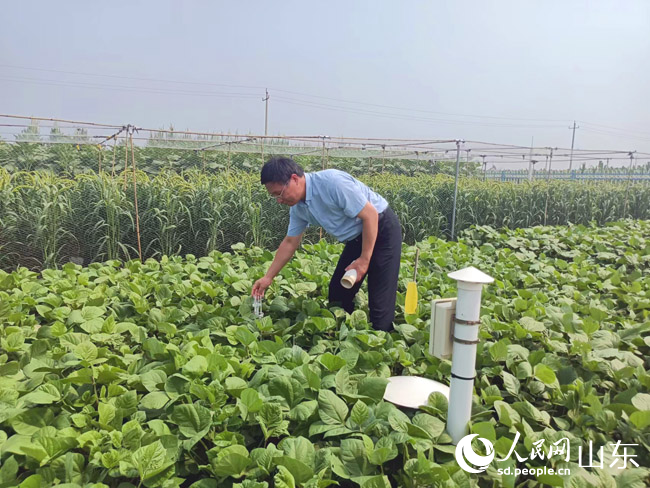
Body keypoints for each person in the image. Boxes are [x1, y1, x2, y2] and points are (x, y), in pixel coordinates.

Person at [251, 157, 402, 332]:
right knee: (338, 293)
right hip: (356, 237)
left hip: (382, 229)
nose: (279, 200)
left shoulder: (332, 183)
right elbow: (290, 242)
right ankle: (346, 338)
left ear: (294, 179)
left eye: (279, 193)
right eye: (274, 196)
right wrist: (268, 277)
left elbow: (370, 215)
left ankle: (383, 342)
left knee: (380, 302)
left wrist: (364, 259)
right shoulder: (298, 208)